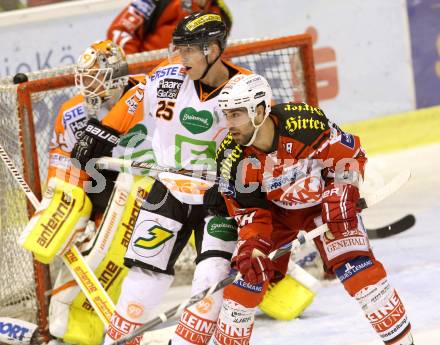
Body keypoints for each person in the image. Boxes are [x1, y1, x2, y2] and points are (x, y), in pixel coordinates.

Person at [70, 12, 250, 344]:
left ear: (212, 49)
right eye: (178, 48)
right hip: (167, 190)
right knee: (143, 275)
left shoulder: (246, 88)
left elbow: (262, 142)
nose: (181, 57)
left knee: (212, 276)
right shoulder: (165, 77)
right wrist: (101, 132)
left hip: (220, 198)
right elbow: (134, 99)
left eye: (189, 50)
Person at [207, 73, 414, 345]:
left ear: (259, 111)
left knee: (361, 273)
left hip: (323, 206)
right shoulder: (231, 156)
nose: (228, 124)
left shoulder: (305, 123)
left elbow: (349, 156)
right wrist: (252, 245)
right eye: (226, 115)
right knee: (243, 288)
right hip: (274, 216)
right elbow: (251, 212)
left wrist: (342, 190)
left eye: (235, 115)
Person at [45, 40, 150, 345]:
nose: (86, 85)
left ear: (115, 76)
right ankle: (78, 330)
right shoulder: (71, 112)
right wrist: (67, 208)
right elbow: (62, 163)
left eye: (94, 77)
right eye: (84, 76)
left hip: (152, 184)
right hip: (102, 187)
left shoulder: (149, 93)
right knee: (96, 250)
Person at [107, 0, 232, 54]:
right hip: (148, 81)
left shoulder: (222, 13)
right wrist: (136, 73)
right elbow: (121, 31)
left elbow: (219, 50)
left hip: (195, 82)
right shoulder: (155, 1)